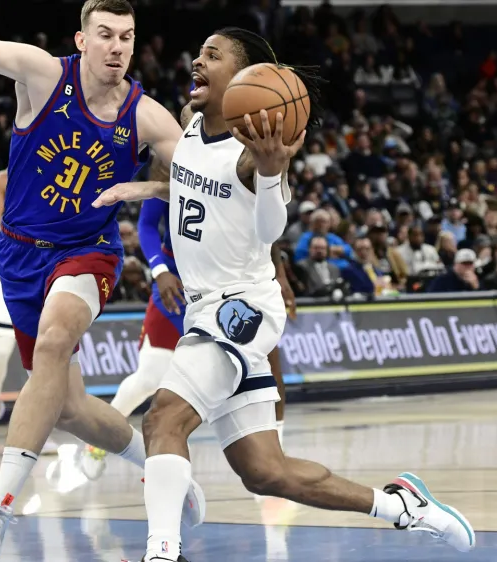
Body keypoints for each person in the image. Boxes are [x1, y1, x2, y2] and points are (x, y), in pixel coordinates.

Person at [93, 27, 475, 561]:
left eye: (212, 55)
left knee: (162, 418)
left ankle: (162, 552)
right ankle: (402, 506)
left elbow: (270, 227)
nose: (197, 62)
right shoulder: (191, 123)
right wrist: (147, 188)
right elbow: (199, 186)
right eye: (199, 53)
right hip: (208, 306)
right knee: (266, 473)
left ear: (247, 77)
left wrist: (273, 174)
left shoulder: (257, 151)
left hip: (239, 306)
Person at [0, 1, 205, 559]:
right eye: (105, 35)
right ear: (81, 40)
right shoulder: (42, 73)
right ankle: (165, 472)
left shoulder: (147, 117)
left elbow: (204, 185)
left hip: (87, 253)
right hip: (20, 255)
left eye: (126, 36)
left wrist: (144, 189)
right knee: (70, 407)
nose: (117, 46)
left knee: (54, 341)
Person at [77, 196, 297, 480]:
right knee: (150, 378)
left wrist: (281, 276)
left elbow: (266, 230)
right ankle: (100, 441)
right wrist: (159, 271)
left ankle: (273, 446)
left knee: (259, 367)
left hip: (227, 286)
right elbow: (146, 224)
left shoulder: (242, 165)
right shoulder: (171, 161)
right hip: (178, 284)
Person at [0, 170, 58, 453]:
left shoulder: (69, 171)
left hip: (53, 266)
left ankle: (39, 428)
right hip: (14, 265)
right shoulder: (4, 178)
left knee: (45, 356)